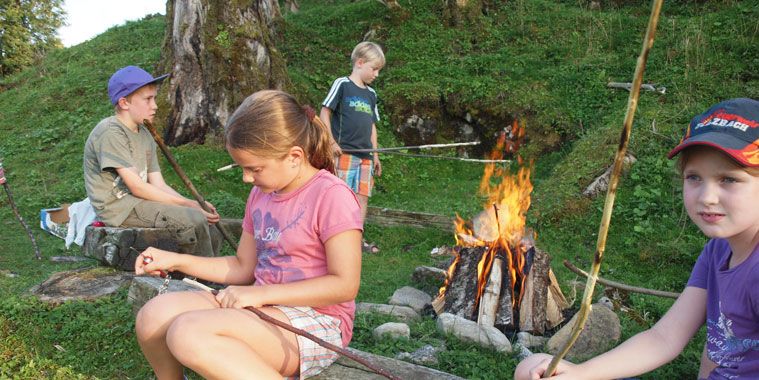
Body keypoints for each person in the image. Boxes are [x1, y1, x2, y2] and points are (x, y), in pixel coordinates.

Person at [515, 98, 759, 380]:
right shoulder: (717, 252)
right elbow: (664, 338)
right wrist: (580, 373)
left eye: (728, 179)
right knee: (532, 369)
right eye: (694, 177)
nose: (707, 197)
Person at [134, 90, 364, 379]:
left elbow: (344, 285)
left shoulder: (331, 195)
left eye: (254, 168)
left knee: (188, 334)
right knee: (152, 317)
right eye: (242, 168)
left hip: (317, 319)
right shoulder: (260, 194)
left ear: (294, 157)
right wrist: (174, 261)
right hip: (260, 304)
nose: (246, 178)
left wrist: (259, 293)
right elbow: (243, 267)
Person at [83, 65, 220, 256]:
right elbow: (138, 187)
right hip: (119, 209)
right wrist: (188, 206)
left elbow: (158, 184)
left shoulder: (145, 133)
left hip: (138, 203)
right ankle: (204, 279)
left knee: (204, 218)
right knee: (194, 219)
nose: (155, 105)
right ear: (124, 103)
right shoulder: (110, 132)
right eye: (148, 99)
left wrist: (193, 202)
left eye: (154, 98)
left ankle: (213, 270)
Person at [319, 41, 385, 253]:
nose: (376, 74)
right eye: (374, 69)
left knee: (362, 197)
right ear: (360, 62)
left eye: (378, 70)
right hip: (344, 153)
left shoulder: (371, 94)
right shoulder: (342, 84)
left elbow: (372, 126)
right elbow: (324, 113)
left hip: (366, 156)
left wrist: (375, 155)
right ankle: (332, 238)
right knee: (340, 196)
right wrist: (330, 141)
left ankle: (356, 238)